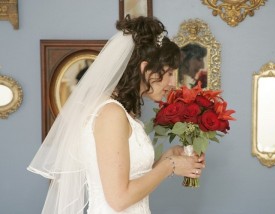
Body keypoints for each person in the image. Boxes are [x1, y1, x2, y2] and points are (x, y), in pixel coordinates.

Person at [27, 15, 206, 214]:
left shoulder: (121, 112)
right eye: (170, 72)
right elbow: (119, 199)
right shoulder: (111, 114)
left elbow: (127, 178)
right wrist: (169, 166)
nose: (173, 83)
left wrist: (168, 157)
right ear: (145, 69)